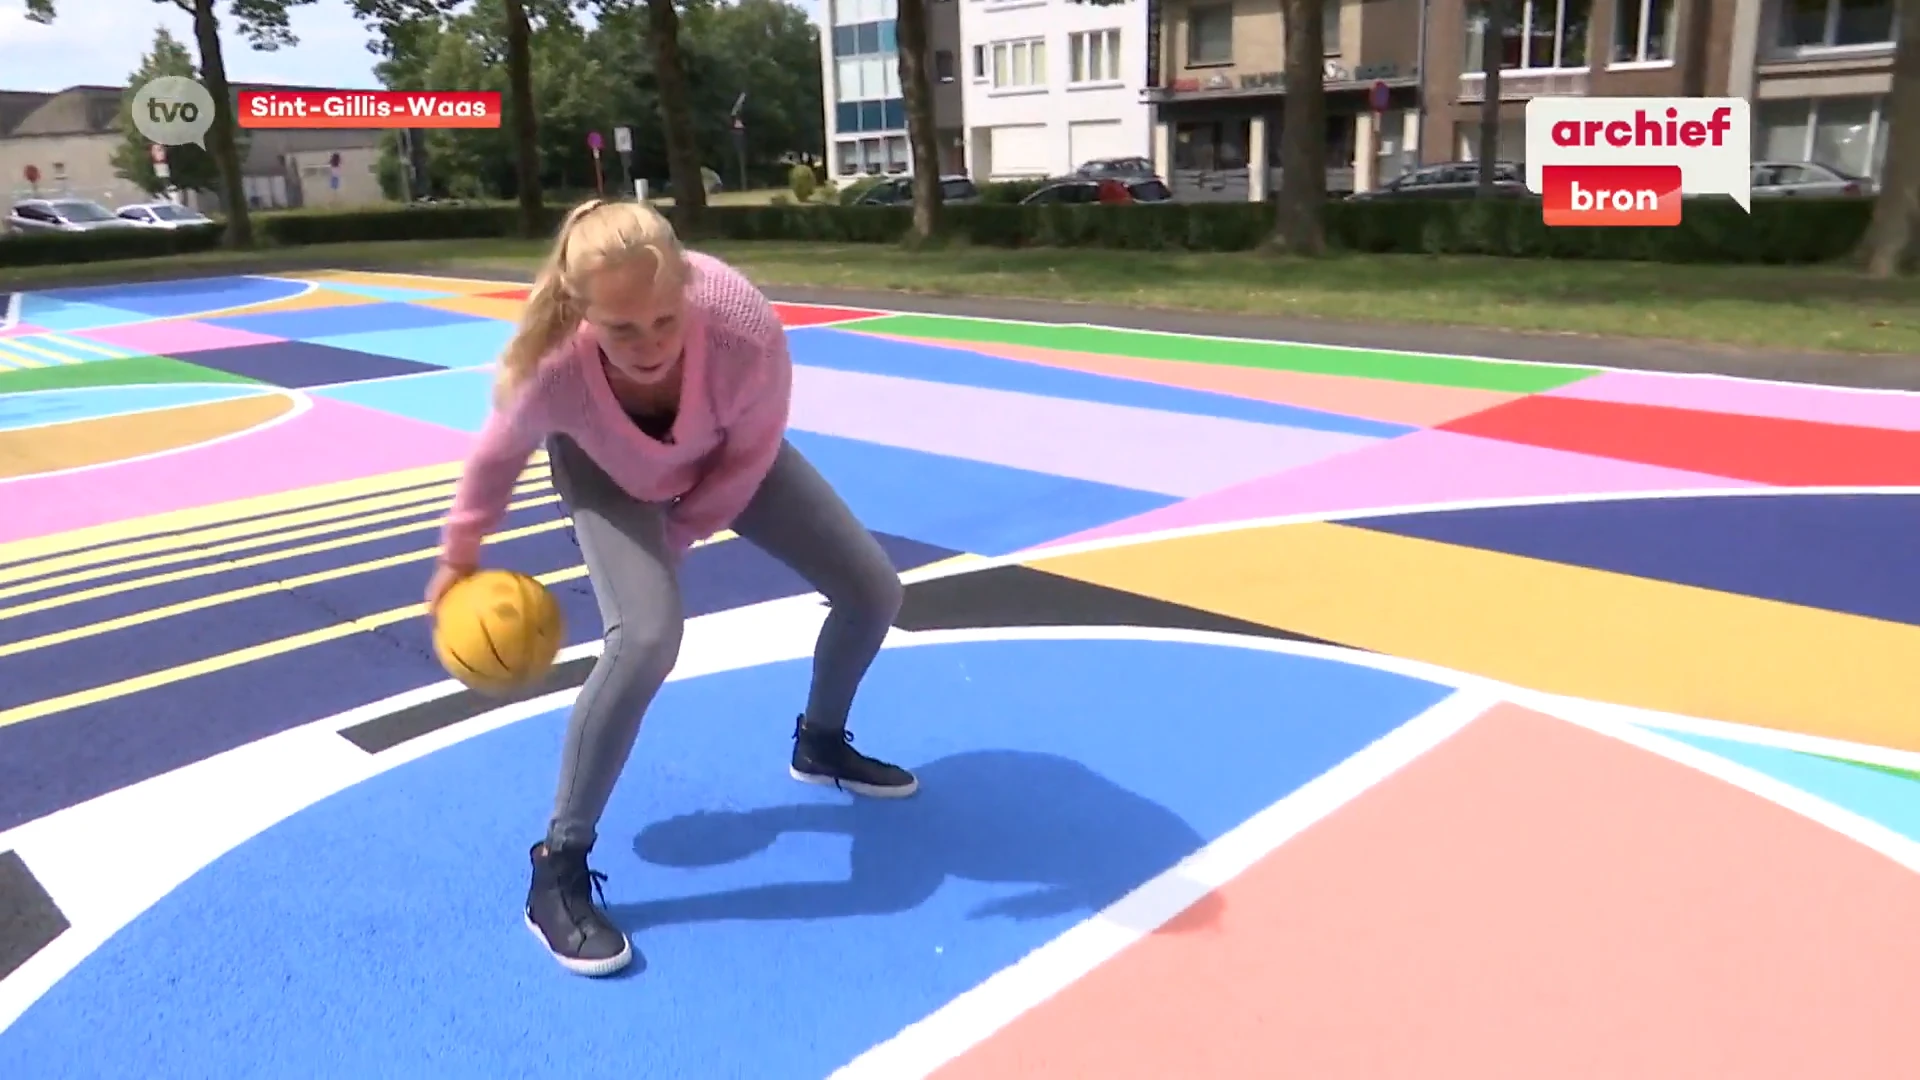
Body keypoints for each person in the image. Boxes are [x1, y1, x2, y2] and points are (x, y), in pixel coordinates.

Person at [426, 199, 915, 978]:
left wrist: (678, 535)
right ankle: (557, 864)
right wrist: (458, 556)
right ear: (581, 312)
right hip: (606, 471)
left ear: (688, 287)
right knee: (647, 636)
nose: (649, 344)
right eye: (622, 330)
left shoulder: (742, 327)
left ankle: (820, 744)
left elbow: (753, 455)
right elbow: (495, 457)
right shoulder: (553, 364)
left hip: (725, 459)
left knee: (873, 590)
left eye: (663, 320)